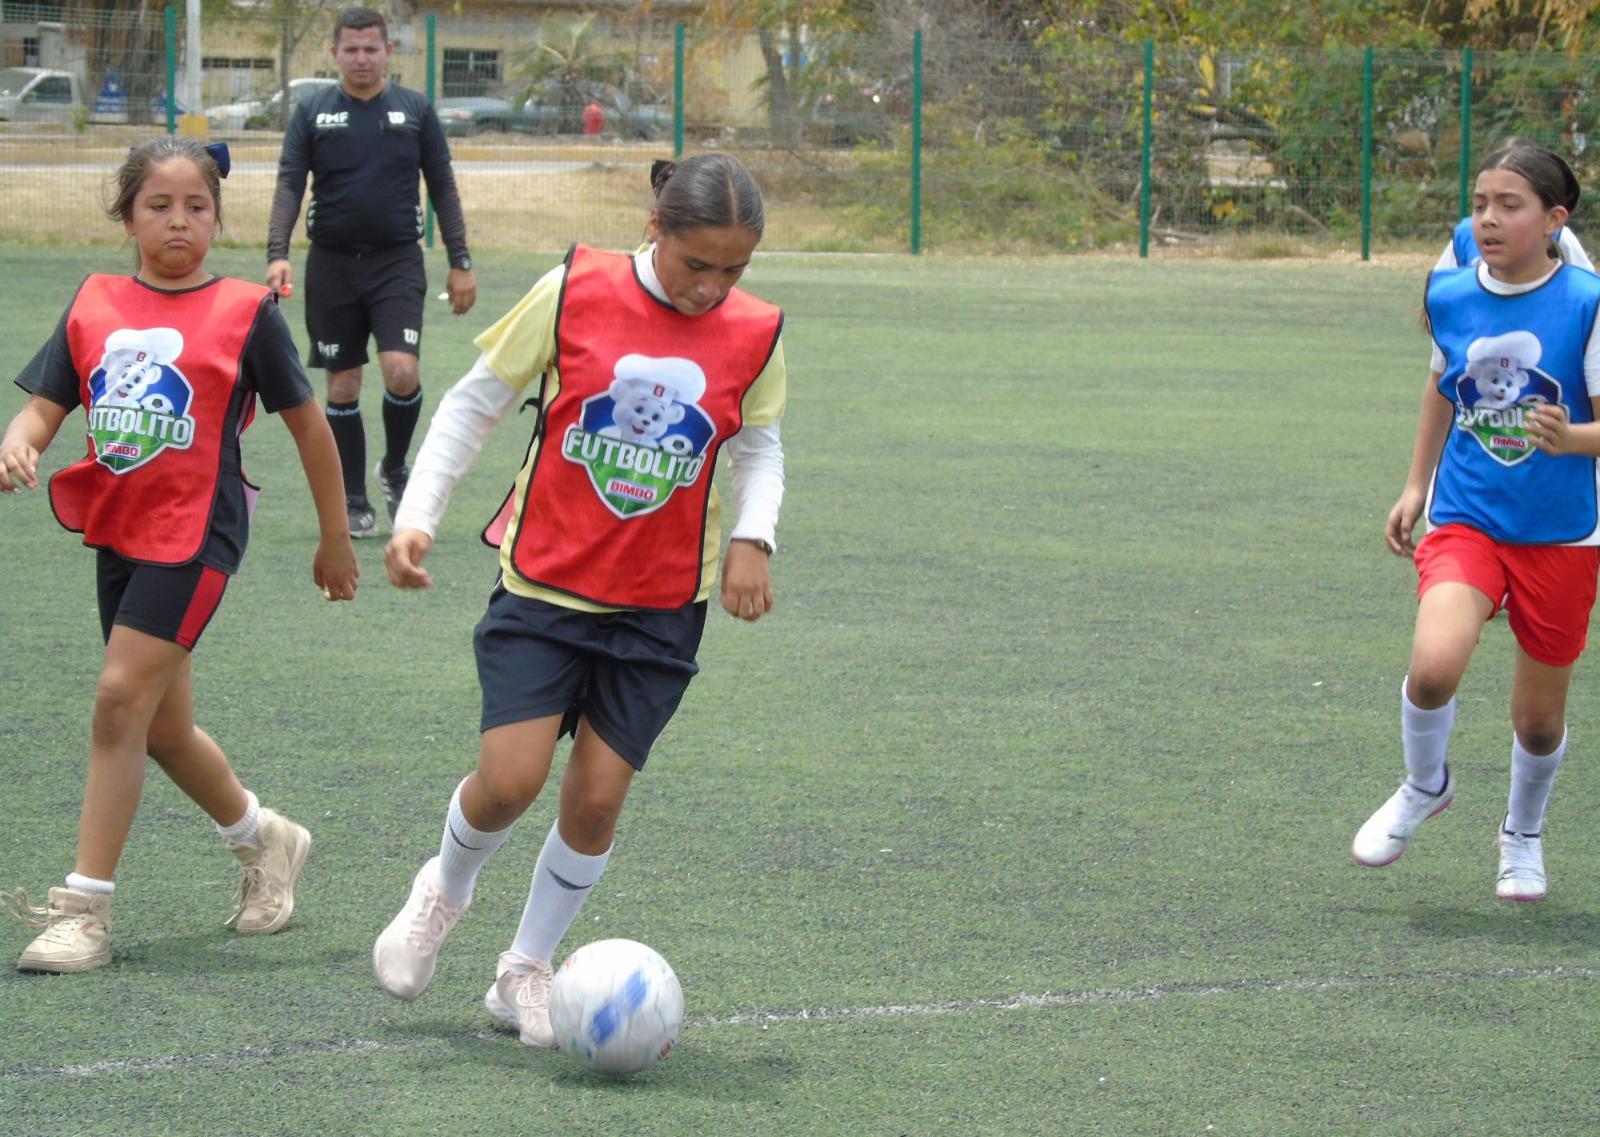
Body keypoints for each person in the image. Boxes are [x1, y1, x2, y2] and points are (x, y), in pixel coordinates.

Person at [370, 153, 786, 1047]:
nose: (714, 288)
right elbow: (475, 404)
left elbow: (756, 447)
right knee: (512, 780)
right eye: (696, 264)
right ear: (654, 228)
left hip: (663, 602)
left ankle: (524, 967)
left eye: (734, 270)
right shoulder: (574, 290)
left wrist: (754, 535)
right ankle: (442, 890)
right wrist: (417, 517)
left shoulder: (755, 330)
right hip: (545, 583)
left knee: (595, 801)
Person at [0, 137, 359, 973]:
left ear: (217, 217)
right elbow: (44, 411)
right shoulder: (94, 302)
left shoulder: (245, 312)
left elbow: (311, 426)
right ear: (127, 216)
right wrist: (17, 443)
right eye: (159, 205)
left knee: (117, 701)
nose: (178, 221)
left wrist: (334, 536)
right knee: (161, 729)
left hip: (198, 534)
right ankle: (264, 839)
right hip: (120, 529)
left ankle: (83, 909)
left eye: (197, 206)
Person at [1354, 141, 1600, 903]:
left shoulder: (1587, 303)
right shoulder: (1453, 290)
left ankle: (1522, 832)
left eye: (1510, 205)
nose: (1487, 219)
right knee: (1433, 665)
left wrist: (1573, 438)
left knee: (1535, 723)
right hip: (1468, 517)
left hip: (1562, 534)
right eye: (1480, 203)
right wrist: (1415, 483)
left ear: (1555, 220)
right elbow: (1442, 382)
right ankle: (1426, 782)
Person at [266, 5, 477, 539]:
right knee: (342, 383)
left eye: (371, 49)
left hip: (397, 261)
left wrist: (460, 262)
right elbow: (291, 183)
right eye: (352, 49)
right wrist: (277, 251)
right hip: (332, 265)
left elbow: (444, 188)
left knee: (402, 370)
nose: (362, 58)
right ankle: (354, 494)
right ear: (335, 53)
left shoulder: (414, 110)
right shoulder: (313, 112)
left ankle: (396, 468)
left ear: (388, 52)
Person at [1436, 137, 1593, 272]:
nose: (1488, 218)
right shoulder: (1465, 235)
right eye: (1479, 206)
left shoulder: (1584, 296)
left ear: (1552, 219)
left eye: (1509, 206)